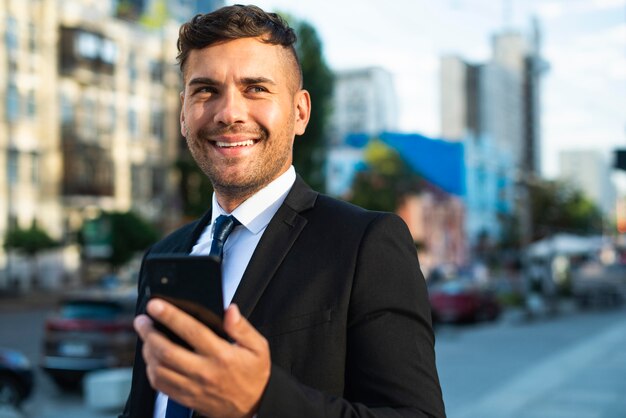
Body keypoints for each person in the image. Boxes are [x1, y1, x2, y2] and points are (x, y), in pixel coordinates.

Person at [120, 4, 445, 418]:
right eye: (206, 91)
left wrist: (264, 399)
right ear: (183, 114)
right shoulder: (165, 256)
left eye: (255, 88)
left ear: (300, 112)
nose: (229, 113)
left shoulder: (366, 244)